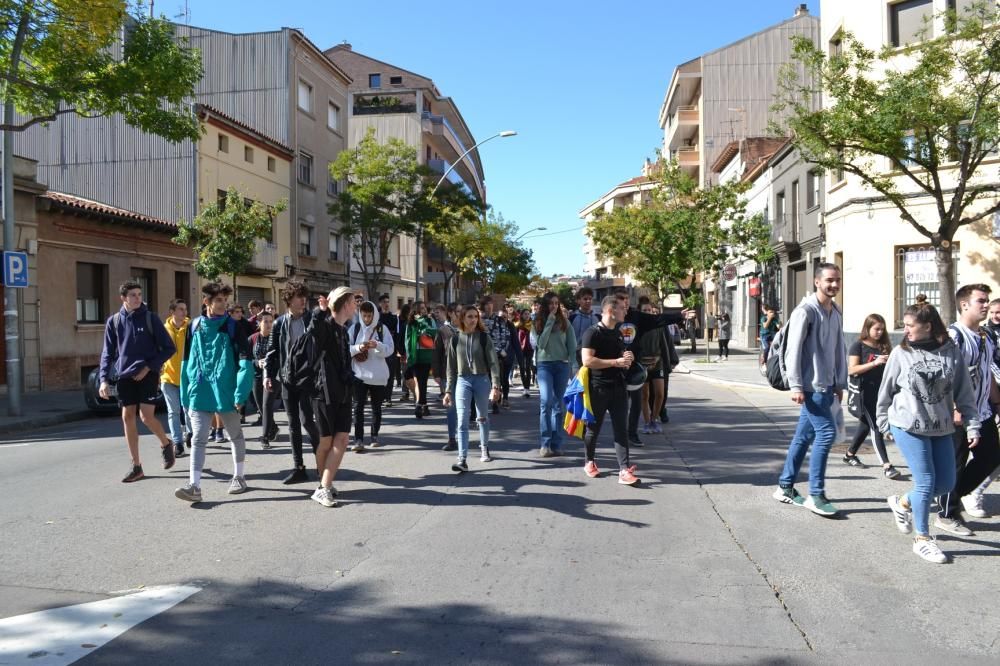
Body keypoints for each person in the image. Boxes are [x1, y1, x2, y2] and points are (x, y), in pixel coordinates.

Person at [878, 298, 981, 563]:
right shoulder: (901, 353)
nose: (906, 330)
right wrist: (883, 423)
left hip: (941, 427)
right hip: (908, 426)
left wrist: (973, 425)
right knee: (925, 482)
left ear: (928, 326)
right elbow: (886, 392)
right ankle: (922, 539)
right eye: (906, 325)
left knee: (946, 483)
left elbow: (965, 393)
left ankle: (902, 503)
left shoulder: (951, 352)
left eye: (911, 325)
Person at [773, 263, 847, 517]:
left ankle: (785, 486)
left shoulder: (835, 312)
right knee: (826, 434)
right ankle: (816, 493)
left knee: (804, 437)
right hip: (810, 386)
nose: (834, 284)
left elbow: (839, 351)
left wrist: (840, 382)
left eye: (837, 280)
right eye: (829, 280)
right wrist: (795, 385)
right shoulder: (805, 311)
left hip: (827, 385)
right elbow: (792, 350)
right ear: (817, 282)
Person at [174, 282, 254, 503]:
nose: (223, 305)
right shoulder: (194, 326)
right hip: (200, 390)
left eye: (225, 301)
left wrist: (241, 393)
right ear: (206, 301)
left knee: (234, 435)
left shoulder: (233, 326)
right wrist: (185, 393)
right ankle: (194, 486)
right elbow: (186, 361)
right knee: (199, 439)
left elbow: (245, 360)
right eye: (218, 300)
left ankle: (239, 477)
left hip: (226, 391)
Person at [934, 285, 1000, 537]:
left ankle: (947, 497)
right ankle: (946, 514)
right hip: (958, 414)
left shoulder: (986, 336)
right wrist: (953, 407)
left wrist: (998, 402)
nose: (985, 305)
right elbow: (942, 376)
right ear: (964, 305)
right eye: (980, 301)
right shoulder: (954, 335)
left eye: (986, 301)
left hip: (982, 411)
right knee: (955, 464)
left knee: (991, 457)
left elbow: (987, 373)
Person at [98, 279, 177, 483]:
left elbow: (169, 348)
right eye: (133, 295)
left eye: (139, 295)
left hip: (147, 374)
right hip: (124, 375)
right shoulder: (114, 321)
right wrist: (103, 379)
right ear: (123, 298)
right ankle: (136, 466)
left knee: (146, 417)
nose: (137, 298)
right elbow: (107, 352)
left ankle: (166, 443)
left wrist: (149, 367)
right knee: (127, 417)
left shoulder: (150, 319)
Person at [265, 280, 321, 484]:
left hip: (307, 379)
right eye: (299, 296)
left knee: (307, 421)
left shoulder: (311, 319)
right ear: (289, 299)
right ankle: (299, 467)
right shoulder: (280, 323)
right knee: (293, 425)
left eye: (305, 297)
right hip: (288, 379)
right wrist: (268, 376)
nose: (303, 300)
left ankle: (322, 464)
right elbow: (272, 352)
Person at [580, 295, 640, 485]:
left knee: (621, 430)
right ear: (610, 311)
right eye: (622, 308)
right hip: (598, 388)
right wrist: (616, 362)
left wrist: (627, 358)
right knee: (593, 429)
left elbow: (621, 358)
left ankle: (624, 470)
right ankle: (589, 461)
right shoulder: (592, 333)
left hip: (619, 387)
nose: (626, 310)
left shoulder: (619, 333)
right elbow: (587, 360)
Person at [305, 287, 356, 508]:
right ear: (345, 304)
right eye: (354, 301)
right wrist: (320, 310)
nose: (356, 305)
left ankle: (324, 485)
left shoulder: (344, 330)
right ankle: (323, 486)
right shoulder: (325, 325)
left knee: (342, 440)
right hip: (323, 391)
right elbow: (313, 332)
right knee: (326, 441)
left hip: (343, 391)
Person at [444, 305, 502, 472]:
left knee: (482, 417)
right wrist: (448, 390)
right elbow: (451, 368)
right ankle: (462, 459)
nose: (473, 320)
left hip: (482, 380)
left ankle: (484, 448)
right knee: (462, 420)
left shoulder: (484, 338)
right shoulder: (455, 339)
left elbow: (493, 363)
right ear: (462, 318)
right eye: (469, 316)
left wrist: (495, 386)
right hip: (463, 381)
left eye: (475, 317)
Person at [844, 314, 901, 478]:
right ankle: (887, 465)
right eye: (876, 329)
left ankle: (849, 454)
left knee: (864, 426)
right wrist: (874, 363)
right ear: (867, 328)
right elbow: (852, 370)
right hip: (864, 394)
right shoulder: (858, 346)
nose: (879, 332)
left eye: (882, 329)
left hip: (881, 393)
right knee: (877, 427)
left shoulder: (884, 346)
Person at [531, 291, 577, 458]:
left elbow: (572, 346)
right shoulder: (537, 322)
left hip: (562, 366)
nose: (554, 306)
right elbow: (541, 344)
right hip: (544, 366)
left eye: (556, 303)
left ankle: (556, 444)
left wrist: (575, 367)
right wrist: (549, 321)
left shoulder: (565, 322)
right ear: (545, 305)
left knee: (558, 406)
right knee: (546, 402)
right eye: (551, 303)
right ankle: (545, 444)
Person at [349, 300, 394, 452]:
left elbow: (390, 349)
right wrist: (358, 348)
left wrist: (377, 346)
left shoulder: (382, 329)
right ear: (360, 315)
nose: (367, 319)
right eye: (364, 316)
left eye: (369, 316)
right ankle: (358, 439)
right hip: (358, 375)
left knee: (376, 408)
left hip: (378, 376)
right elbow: (346, 348)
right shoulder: (355, 328)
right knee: (358, 408)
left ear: (374, 315)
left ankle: (374, 436)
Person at [160, 299, 190, 459]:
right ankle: (178, 443)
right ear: (172, 312)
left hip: (187, 377)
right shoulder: (163, 329)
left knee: (188, 410)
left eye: (185, 309)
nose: (184, 312)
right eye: (180, 309)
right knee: (173, 412)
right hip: (168, 377)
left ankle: (190, 435)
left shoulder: (191, 327)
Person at [433, 303, 460, 451]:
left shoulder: (466, 329)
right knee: (450, 407)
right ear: (451, 313)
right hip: (447, 374)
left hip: (465, 374)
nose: (460, 314)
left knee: (462, 408)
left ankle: (462, 436)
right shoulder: (443, 330)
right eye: (458, 312)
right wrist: (436, 373)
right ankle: (452, 439)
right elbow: (436, 352)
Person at [637, 302, 667, 435]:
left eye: (649, 310)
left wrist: (666, 361)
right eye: (645, 310)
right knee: (644, 395)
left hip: (657, 363)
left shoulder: (658, 326)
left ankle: (654, 419)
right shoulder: (637, 326)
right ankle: (647, 422)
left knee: (660, 394)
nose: (648, 312)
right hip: (642, 365)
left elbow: (664, 345)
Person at [250, 311, 278, 449]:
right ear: (259, 323)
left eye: (270, 321)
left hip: (272, 376)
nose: (268, 324)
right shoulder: (253, 339)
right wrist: (256, 362)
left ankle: (265, 437)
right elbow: (244, 358)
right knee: (261, 407)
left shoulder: (276, 338)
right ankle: (273, 427)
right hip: (256, 376)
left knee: (266, 405)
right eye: (265, 321)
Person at [480, 295, 512, 414]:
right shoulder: (479, 320)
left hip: (497, 354)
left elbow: (505, 335)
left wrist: (502, 350)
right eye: (487, 304)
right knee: (484, 379)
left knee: (497, 378)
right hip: (483, 354)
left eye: (491, 304)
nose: (489, 306)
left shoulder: (499, 320)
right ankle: (482, 402)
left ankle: (495, 402)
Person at [405, 301, 436, 419]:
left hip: (427, 354)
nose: (424, 310)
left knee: (423, 380)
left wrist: (425, 328)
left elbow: (435, 332)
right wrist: (408, 355)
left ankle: (421, 404)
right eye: (421, 308)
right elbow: (407, 339)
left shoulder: (429, 320)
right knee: (416, 380)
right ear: (416, 310)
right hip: (415, 355)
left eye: (424, 308)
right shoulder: (411, 323)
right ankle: (421, 404)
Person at [569, 287, 600, 373]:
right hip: (576, 358)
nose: (588, 301)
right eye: (585, 299)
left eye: (590, 299)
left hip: (594, 356)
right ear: (578, 301)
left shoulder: (597, 318)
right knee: (579, 384)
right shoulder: (572, 318)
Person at [378, 294, 401, 406]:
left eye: (387, 302)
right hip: (378, 350)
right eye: (384, 302)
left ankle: (388, 397)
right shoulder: (376, 318)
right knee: (380, 373)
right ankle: (380, 396)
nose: (386, 304)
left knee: (390, 374)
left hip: (391, 350)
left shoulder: (394, 318)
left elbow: (397, 334)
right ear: (380, 304)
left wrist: (398, 349)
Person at [517, 308, 535, 397]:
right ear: (522, 315)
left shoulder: (533, 325)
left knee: (528, 368)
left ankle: (527, 388)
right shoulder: (517, 325)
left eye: (528, 314)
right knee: (522, 368)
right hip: (520, 349)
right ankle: (525, 387)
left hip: (530, 349)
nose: (527, 315)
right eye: (525, 314)